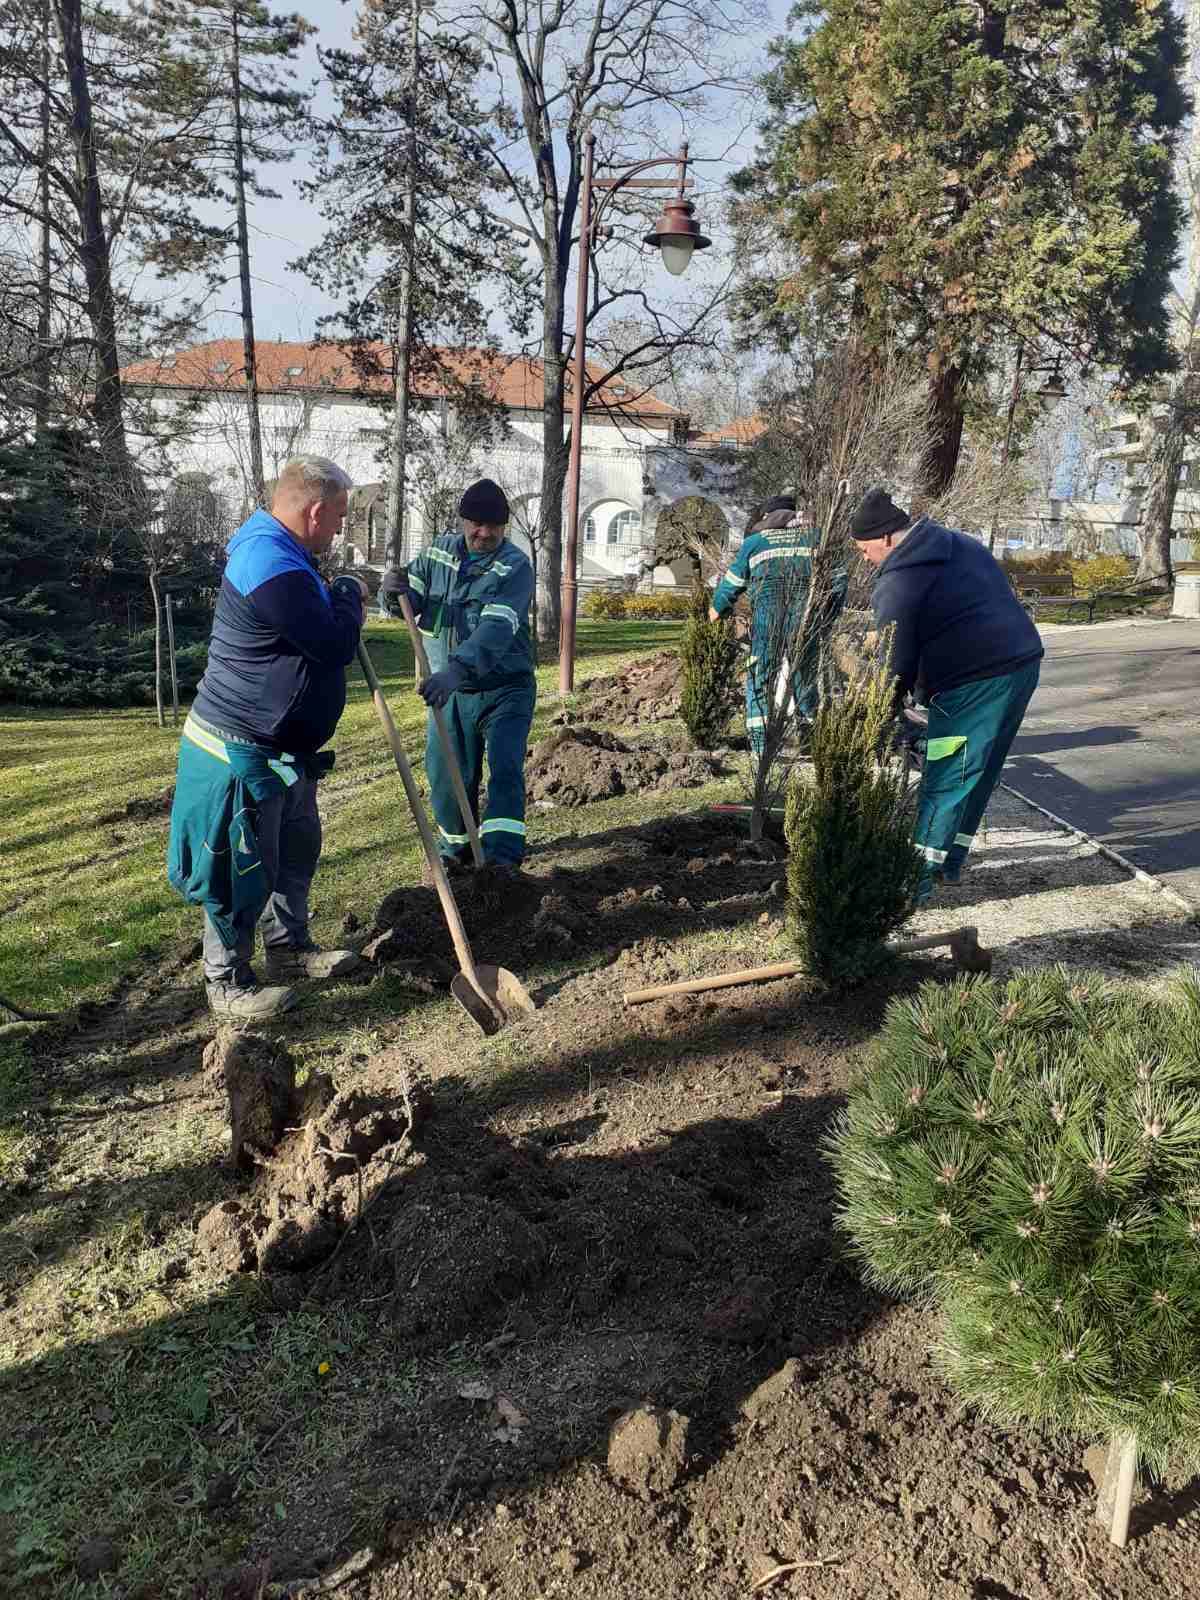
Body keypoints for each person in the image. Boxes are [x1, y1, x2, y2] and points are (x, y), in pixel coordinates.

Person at [168, 456, 369, 1020]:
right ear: (313, 511)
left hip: (286, 749)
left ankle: (287, 947)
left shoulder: (289, 554)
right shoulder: (267, 561)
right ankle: (227, 979)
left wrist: (338, 595)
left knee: (297, 846)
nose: (339, 529)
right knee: (241, 862)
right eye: (338, 519)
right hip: (241, 746)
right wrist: (352, 596)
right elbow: (331, 644)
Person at [851, 486, 1044, 900]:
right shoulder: (959, 543)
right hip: (1022, 662)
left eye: (863, 548)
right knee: (981, 769)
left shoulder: (900, 580)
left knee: (947, 777)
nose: (862, 557)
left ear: (885, 537)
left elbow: (894, 659)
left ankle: (913, 883)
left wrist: (882, 710)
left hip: (973, 681)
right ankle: (950, 863)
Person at [381, 478, 535, 873]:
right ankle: (456, 849)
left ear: (505, 526)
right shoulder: (438, 553)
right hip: (449, 692)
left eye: (493, 527)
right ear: (463, 520)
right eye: (476, 524)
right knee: (446, 774)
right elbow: (409, 601)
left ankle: (501, 859)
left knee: (504, 769)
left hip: (504, 689)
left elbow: (496, 629)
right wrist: (392, 591)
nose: (483, 533)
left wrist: (456, 669)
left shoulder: (515, 567)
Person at [709, 494, 847, 753]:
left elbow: (731, 585)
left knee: (759, 679)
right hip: (806, 623)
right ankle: (808, 743)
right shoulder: (818, 538)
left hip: (766, 624)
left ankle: (760, 748)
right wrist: (829, 615)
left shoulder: (754, 542)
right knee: (805, 680)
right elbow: (839, 581)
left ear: (765, 517)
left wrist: (715, 611)